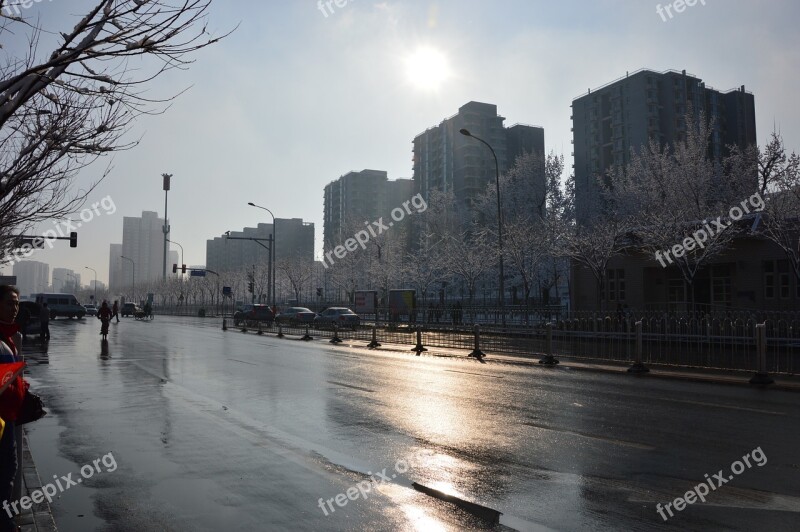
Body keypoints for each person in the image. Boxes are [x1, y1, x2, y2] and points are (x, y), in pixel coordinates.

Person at [0, 285, 26, 532]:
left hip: (9, 415)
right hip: (1, 417)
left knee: (9, 466)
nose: (15, 308)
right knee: (8, 467)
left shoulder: (10, 335)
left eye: (17, 303)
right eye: (9, 303)